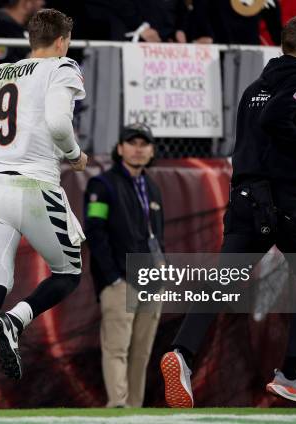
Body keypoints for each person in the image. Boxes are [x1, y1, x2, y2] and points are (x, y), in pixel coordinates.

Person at [160, 16, 296, 408]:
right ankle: (290, 374)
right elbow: (277, 119)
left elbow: (257, 132)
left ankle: (182, 354)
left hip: (244, 199)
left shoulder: (255, 87)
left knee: (221, 280)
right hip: (282, 201)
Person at [0, 8, 88, 410]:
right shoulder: (63, 66)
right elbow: (60, 125)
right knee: (69, 271)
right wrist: (74, 155)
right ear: (62, 40)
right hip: (35, 185)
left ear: (30, 38)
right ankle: (17, 319)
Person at [84, 124, 165, 408]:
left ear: (152, 150)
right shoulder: (102, 185)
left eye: (144, 143)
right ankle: (117, 407)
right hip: (121, 281)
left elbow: (157, 236)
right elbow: (94, 232)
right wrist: (113, 277)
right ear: (120, 149)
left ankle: (134, 409)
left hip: (151, 281)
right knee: (116, 348)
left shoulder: (152, 188)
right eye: (132, 142)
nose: (138, 148)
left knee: (141, 354)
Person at [0, 0, 44, 71]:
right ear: (26, 3)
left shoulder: (21, 27)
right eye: (39, 0)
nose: (42, 3)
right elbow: (2, 70)